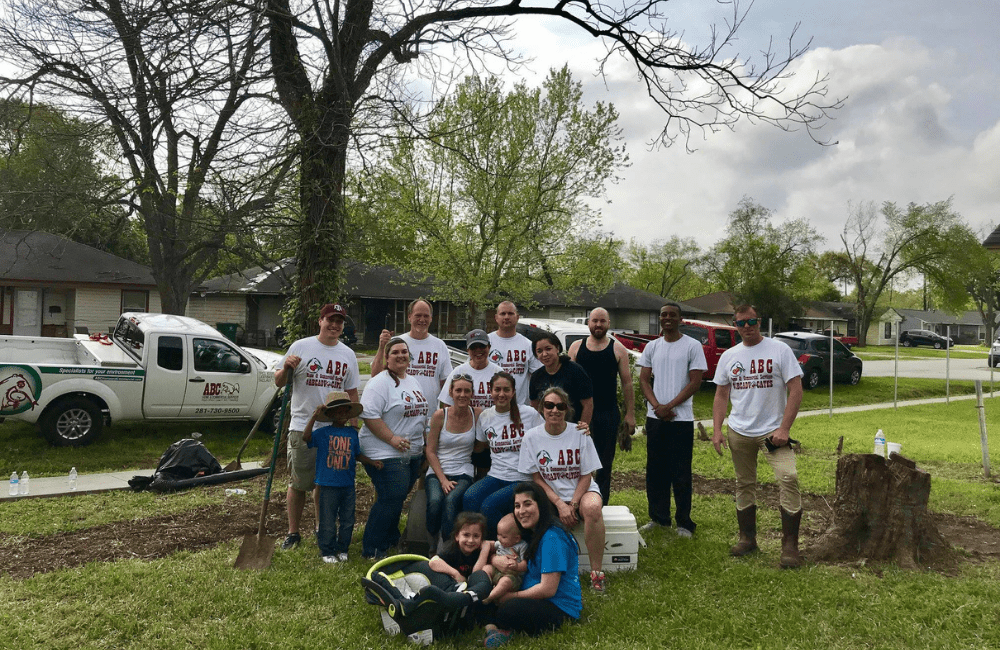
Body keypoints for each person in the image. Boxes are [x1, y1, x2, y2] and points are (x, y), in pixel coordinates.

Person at [711, 304, 805, 569]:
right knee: (744, 483)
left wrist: (784, 429)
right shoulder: (729, 355)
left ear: (759, 321)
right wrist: (717, 431)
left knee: (788, 477)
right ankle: (747, 538)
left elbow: (795, 390)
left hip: (771, 434)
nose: (747, 327)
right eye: (741, 323)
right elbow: (721, 395)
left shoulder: (779, 350)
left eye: (751, 322)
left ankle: (790, 546)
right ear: (735, 326)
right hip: (739, 431)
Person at [274, 303, 360, 551]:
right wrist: (287, 367)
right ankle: (293, 532)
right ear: (320, 321)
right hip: (304, 426)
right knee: (299, 482)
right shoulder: (301, 346)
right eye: (330, 320)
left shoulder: (347, 354)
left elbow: (352, 391)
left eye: (339, 322)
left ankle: (322, 527)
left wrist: (353, 428)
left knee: (325, 484)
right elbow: (279, 382)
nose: (335, 325)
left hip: (335, 429)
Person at [518, 387, 607, 594]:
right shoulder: (531, 437)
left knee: (593, 508)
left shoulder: (580, 433)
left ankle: (597, 573)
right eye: (549, 405)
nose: (554, 410)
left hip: (582, 490)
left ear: (567, 409)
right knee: (528, 514)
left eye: (560, 406)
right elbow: (536, 477)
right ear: (541, 409)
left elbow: (587, 475)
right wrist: (559, 504)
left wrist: (573, 504)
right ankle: (537, 571)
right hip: (550, 493)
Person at [636, 302, 708, 538]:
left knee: (680, 471)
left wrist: (670, 405)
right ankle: (659, 518)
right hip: (655, 418)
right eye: (663, 315)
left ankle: (684, 523)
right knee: (656, 470)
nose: (667, 318)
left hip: (681, 418)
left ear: (680, 319)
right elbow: (644, 380)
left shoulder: (692, 346)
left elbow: (695, 382)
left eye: (672, 315)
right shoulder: (652, 347)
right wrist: (657, 406)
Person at [482, 482, 583, 647]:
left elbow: (547, 589)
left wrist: (511, 597)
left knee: (508, 608)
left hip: (559, 607)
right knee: (485, 592)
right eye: (517, 505)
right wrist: (494, 560)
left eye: (527, 504)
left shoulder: (552, 538)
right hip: (533, 595)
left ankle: (501, 629)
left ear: (541, 505)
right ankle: (494, 628)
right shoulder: (533, 531)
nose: (521, 511)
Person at [358, 337, 431, 559]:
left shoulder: (412, 381)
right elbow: (369, 415)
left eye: (404, 352)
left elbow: (420, 416)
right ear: (387, 358)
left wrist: (425, 447)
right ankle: (372, 548)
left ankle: (390, 538)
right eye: (395, 352)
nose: (401, 355)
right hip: (383, 451)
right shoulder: (379, 383)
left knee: (396, 497)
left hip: (412, 452)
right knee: (392, 496)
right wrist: (391, 439)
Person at [568, 307, 637, 505]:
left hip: (607, 414)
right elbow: (568, 380)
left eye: (602, 321)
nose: (598, 325)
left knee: (604, 464)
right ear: (588, 323)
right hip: (578, 416)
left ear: (608, 324)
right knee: (576, 463)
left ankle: (601, 504)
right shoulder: (576, 347)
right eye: (594, 321)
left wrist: (630, 414)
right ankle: (575, 503)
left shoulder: (617, 349)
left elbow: (627, 383)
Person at [462, 372, 544, 537]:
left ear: (513, 392)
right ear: (490, 391)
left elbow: (549, 436)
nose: (501, 394)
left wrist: (579, 429)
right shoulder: (485, 417)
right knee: (470, 497)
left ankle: (500, 547)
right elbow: (480, 446)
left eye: (506, 389)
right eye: (497, 389)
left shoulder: (529, 414)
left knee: (489, 506)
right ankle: (476, 544)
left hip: (523, 478)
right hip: (496, 476)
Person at [302, 391, 379, 563]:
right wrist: (314, 417)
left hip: (347, 484)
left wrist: (372, 462)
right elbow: (305, 437)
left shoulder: (352, 433)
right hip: (327, 484)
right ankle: (327, 551)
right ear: (329, 414)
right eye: (337, 412)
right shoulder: (323, 433)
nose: (342, 415)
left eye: (345, 411)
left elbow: (356, 454)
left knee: (347, 519)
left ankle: (343, 548)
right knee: (327, 519)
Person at [425, 373, 480, 550]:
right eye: (458, 390)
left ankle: (446, 546)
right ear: (451, 392)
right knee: (435, 502)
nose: (462, 395)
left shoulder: (477, 414)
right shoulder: (440, 415)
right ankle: (431, 539)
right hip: (438, 471)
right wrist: (443, 480)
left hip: (463, 471)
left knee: (451, 501)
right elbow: (430, 451)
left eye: (467, 391)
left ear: (472, 393)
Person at [371, 298, 452, 411]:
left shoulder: (439, 346)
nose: (422, 320)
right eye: (418, 315)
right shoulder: (396, 343)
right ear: (409, 317)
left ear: (431, 318)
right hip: (398, 413)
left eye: (426, 316)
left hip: (429, 415)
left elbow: (447, 383)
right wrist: (381, 347)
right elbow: (375, 376)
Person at [528, 331, 593, 425]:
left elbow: (588, 404)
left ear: (557, 348)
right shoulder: (536, 377)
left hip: (573, 427)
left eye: (548, 349)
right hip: (549, 429)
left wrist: (582, 427)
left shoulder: (575, 371)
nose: (544, 354)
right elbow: (535, 405)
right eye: (539, 351)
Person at [488, 302, 542, 405]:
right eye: (503, 314)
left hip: (520, 408)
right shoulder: (486, 343)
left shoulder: (528, 345)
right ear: (496, 317)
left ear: (517, 317)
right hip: (491, 408)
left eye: (510, 313)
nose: (507, 317)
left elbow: (538, 377)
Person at [438, 329, 502, 410]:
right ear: (468, 350)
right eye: (473, 347)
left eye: (482, 346)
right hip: (465, 422)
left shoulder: (499, 373)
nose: (478, 350)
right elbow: (447, 404)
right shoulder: (458, 372)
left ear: (489, 347)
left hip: (492, 422)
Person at [428, 511, 493, 584]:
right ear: (457, 536)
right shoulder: (451, 548)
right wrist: (456, 574)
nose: (471, 540)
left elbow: (476, 574)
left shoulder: (482, 548)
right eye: (466, 535)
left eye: (476, 536)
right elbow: (433, 561)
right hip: (452, 584)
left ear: (481, 538)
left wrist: (485, 549)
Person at [483, 513, 528, 605]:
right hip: (497, 569)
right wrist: (483, 544)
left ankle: (489, 597)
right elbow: (490, 545)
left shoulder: (522, 546)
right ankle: (484, 588)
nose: (499, 538)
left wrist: (517, 566)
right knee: (486, 569)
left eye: (503, 536)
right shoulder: (500, 543)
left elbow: (525, 564)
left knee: (505, 582)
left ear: (516, 539)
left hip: (512, 576)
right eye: (498, 534)